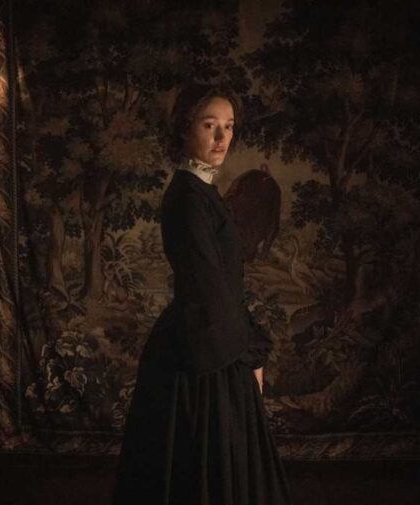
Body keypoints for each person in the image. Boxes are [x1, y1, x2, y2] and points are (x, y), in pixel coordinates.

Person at [111, 83, 292, 505]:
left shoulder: (202, 192)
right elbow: (208, 287)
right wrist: (249, 354)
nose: (222, 137)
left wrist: (248, 347)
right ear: (184, 129)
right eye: (210, 125)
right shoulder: (188, 199)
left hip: (213, 335)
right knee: (203, 466)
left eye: (229, 126)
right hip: (203, 346)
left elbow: (225, 283)